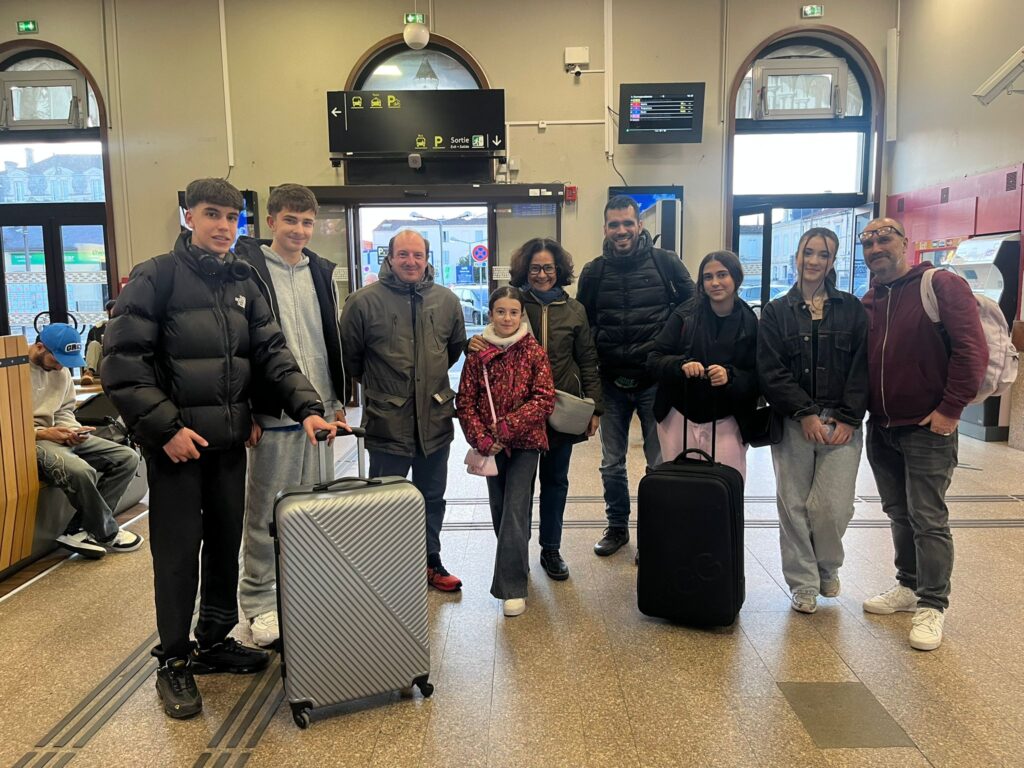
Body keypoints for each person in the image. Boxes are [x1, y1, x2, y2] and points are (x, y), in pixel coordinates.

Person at [103, 178, 340, 719]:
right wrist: (165, 429)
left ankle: (212, 639)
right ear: (188, 216)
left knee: (224, 543)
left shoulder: (242, 280)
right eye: (212, 214)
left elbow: (273, 353)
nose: (222, 226)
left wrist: (308, 408)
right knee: (178, 554)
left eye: (232, 218)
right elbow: (121, 363)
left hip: (228, 444)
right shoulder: (156, 277)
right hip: (177, 449)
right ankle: (174, 662)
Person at [859, 217, 986, 651]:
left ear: (904, 243)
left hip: (928, 426)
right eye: (868, 240)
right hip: (882, 426)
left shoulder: (940, 285)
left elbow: (972, 350)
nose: (875, 245)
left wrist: (951, 409)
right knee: (899, 512)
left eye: (884, 236)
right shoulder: (870, 300)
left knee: (928, 517)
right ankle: (908, 586)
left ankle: (934, 603)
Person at [233, 183, 349, 648]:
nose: (299, 230)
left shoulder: (321, 270)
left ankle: (298, 598)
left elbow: (329, 340)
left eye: (306, 223)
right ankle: (259, 604)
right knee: (265, 514)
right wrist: (247, 409)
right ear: (272, 222)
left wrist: (336, 400)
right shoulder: (246, 270)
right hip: (273, 412)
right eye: (290, 221)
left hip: (318, 413)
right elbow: (240, 346)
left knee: (310, 511)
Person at [467, 238, 602, 580]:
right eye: (535, 268)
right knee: (518, 489)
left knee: (556, 480)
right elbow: (486, 339)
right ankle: (517, 553)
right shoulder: (514, 304)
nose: (542, 275)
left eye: (548, 268)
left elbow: (587, 359)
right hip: (518, 415)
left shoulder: (575, 310)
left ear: (559, 271)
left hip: (560, 409)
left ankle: (551, 549)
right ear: (525, 271)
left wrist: (595, 408)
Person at [340, 229, 467, 592]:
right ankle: (388, 571)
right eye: (403, 255)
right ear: (390, 257)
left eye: (418, 255)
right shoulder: (362, 302)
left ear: (427, 259)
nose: (411, 262)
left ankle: (431, 561)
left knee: (431, 497)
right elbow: (350, 359)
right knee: (385, 498)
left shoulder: (446, 301)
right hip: (387, 420)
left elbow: (453, 349)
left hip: (435, 419)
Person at [757, 228, 869, 614]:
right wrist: (803, 413)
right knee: (794, 506)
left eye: (824, 254)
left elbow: (862, 367)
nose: (815, 261)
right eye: (808, 252)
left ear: (833, 261)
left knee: (832, 508)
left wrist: (849, 418)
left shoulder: (852, 309)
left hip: (842, 423)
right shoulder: (775, 311)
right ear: (797, 257)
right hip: (793, 423)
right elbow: (770, 370)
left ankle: (827, 566)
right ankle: (803, 582)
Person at [576, 195, 695, 557]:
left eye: (628, 223)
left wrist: (672, 355)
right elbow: (585, 324)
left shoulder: (666, 264)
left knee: (658, 463)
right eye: (614, 224)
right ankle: (617, 527)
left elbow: (693, 309)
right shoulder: (594, 272)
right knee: (612, 462)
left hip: (655, 382)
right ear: (605, 229)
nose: (622, 230)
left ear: (640, 225)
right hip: (611, 382)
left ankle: (656, 530)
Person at [458, 287, 555, 616]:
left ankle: (512, 587)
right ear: (490, 315)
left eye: (514, 312)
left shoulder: (533, 351)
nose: (507, 318)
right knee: (502, 511)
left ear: (521, 316)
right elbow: (465, 402)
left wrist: (505, 429)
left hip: (526, 444)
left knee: (515, 507)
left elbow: (544, 398)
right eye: (501, 312)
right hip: (490, 447)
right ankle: (518, 563)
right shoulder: (477, 354)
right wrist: (484, 439)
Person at [31, 322, 143, 559]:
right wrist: (41, 433)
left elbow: (64, 410)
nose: (61, 366)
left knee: (127, 457)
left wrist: (73, 430)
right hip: (29, 440)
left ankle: (80, 529)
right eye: (57, 359)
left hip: (58, 433)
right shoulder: (11, 374)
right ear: (40, 347)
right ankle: (106, 531)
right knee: (81, 471)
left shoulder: (60, 373)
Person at [648, 250, 758, 480]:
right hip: (678, 414)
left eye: (722, 275)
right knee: (679, 490)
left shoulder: (750, 322)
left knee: (725, 487)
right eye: (708, 277)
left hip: (728, 419)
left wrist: (730, 375)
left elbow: (759, 377)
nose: (715, 282)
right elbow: (654, 358)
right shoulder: (684, 314)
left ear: (736, 278)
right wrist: (681, 365)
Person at [81, 299, 116, 385]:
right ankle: (88, 373)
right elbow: (87, 352)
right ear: (108, 312)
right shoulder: (96, 329)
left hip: (119, 363)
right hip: (102, 363)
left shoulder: (126, 327)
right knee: (94, 344)